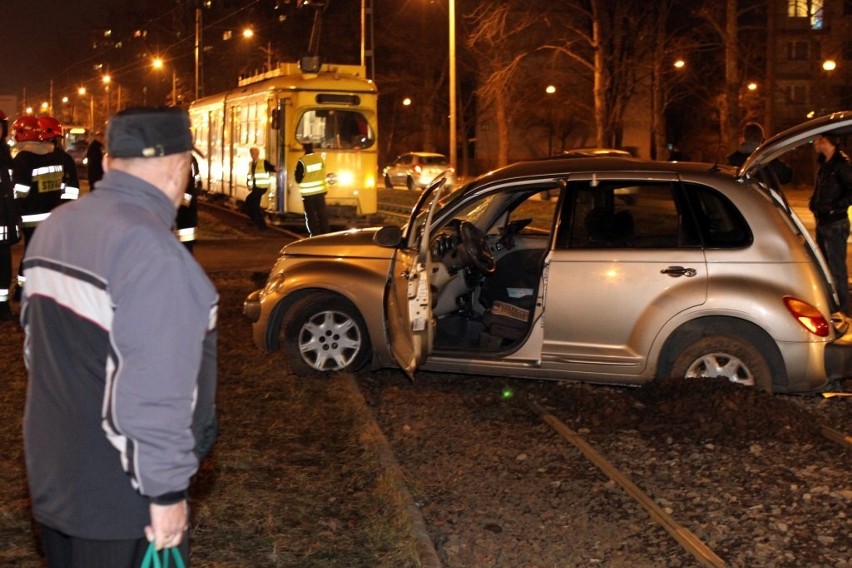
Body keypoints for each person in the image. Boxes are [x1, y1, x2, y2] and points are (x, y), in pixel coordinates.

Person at [20, 106, 219, 567]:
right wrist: (167, 491)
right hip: (124, 499)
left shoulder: (56, 227)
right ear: (180, 166)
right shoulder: (152, 253)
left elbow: (36, 353)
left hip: (56, 479)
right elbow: (157, 388)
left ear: (108, 164)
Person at [11, 115, 78, 297]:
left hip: (31, 216)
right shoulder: (57, 157)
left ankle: (23, 289)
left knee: (32, 252)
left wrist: (12, 207)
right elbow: (68, 188)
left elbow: (20, 191)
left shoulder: (24, 158)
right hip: (54, 214)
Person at [810, 133, 852, 315]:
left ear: (830, 143)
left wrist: (835, 207)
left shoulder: (841, 165)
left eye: (821, 140)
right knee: (825, 267)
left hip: (835, 223)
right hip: (823, 221)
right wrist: (814, 203)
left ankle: (845, 308)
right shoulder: (824, 165)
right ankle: (833, 305)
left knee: (837, 269)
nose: (817, 144)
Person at [0, 110, 20, 321]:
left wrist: (14, 222)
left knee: (4, 271)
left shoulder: (5, 155)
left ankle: (3, 307)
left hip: (3, 228)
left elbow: (11, 194)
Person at [727, 121, 793, 183]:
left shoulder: (732, 159)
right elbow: (786, 176)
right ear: (761, 138)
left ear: (744, 137)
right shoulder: (768, 158)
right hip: (762, 195)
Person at [295, 141, 329, 235]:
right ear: (312, 147)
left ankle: (314, 234)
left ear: (304, 148)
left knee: (311, 216)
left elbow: (298, 178)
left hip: (308, 194)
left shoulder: (302, 161)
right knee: (322, 214)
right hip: (320, 193)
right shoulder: (320, 158)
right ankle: (325, 233)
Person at [246, 146, 277, 230]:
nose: (253, 155)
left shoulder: (263, 162)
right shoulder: (251, 163)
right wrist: (248, 185)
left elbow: (270, 167)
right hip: (255, 188)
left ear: (258, 154)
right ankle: (256, 221)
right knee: (249, 202)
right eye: (252, 154)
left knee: (253, 204)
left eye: (255, 153)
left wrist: (275, 169)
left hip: (262, 187)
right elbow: (249, 175)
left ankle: (262, 226)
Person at [175, 153, 201, 253]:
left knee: (184, 239)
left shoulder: (184, 160)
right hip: (186, 204)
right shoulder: (190, 159)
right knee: (186, 241)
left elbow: (193, 183)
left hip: (184, 206)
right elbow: (197, 182)